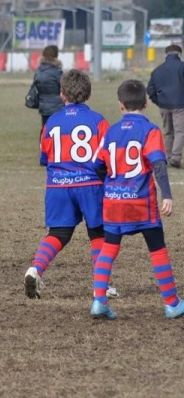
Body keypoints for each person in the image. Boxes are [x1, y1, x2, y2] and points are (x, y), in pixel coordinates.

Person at [90, 79, 184, 320]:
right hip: (141, 203)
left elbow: (98, 165)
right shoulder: (150, 130)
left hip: (113, 203)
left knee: (108, 249)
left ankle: (99, 300)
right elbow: (158, 164)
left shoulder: (110, 132)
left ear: (120, 105)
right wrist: (168, 194)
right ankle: (172, 303)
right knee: (157, 249)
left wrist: (111, 186)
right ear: (145, 103)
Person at [24, 69, 113, 300]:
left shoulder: (51, 122)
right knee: (98, 233)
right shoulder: (99, 121)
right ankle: (100, 285)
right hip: (90, 184)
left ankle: (35, 269)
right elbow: (107, 156)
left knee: (58, 233)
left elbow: (45, 157)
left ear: (62, 94)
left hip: (58, 186)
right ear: (88, 94)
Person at [146, 44, 184, 168]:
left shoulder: (157, 70)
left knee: (168, 131)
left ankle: (167, 156)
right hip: (180, 104)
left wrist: (159, 101)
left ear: (166, 55)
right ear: (179, 54)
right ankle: (176, 157)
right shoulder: (182, 67)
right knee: (179, 131)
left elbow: (150, 89)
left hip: (164, 105)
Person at [30, 45, 63, 127]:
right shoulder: (57, 72)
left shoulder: (39, 72)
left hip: (44, 108)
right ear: (56, 56)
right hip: (58, 107)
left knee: (46, 131)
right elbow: (64, 88)